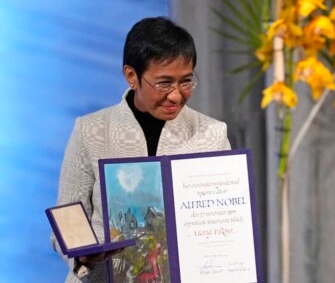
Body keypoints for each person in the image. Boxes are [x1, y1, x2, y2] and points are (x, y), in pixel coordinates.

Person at [51, 17, 231, 282]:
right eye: (164, 83)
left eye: (186, 82)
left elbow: (225, 224)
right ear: (131, 76)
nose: (176, 95)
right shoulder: (91, 131)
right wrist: (82, 256)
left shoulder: (211, 135)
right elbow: (67, 218)